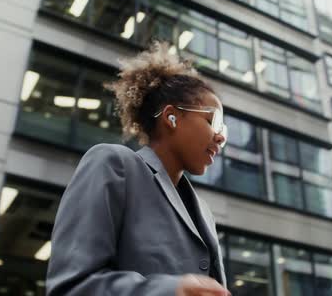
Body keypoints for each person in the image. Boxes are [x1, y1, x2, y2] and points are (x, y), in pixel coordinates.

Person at [46, 41, 230, 296]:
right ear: (171, 117)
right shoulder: (113, 164)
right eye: (214, 121)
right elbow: (71, 287)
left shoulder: (204, 214)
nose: (220, 137)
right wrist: (170, 291)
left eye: (224, 130)